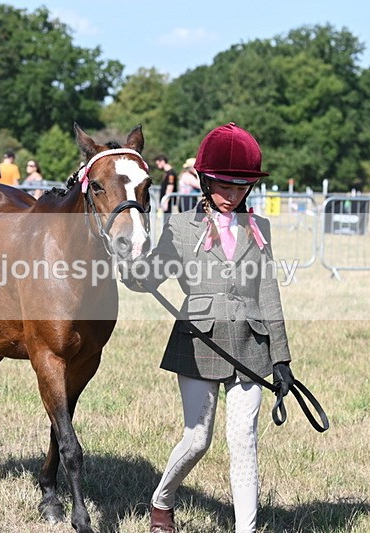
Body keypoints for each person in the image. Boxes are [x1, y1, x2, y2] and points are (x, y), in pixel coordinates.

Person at [127, 123, 295, 533]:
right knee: (198, 439)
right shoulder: (181, 227)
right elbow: (150, 275)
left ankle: (247, 529)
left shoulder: (260, 229)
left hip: (251, 346)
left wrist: (282, 356)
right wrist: (130, 262)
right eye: (224, 186)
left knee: (244, 440)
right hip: (199, 342)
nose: (232, 195)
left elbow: (269, 292)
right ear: (204, 180)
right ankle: (162, 501)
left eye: (241, 187)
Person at [155, 155, 178, 226]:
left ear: (162, 162)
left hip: (167, 201)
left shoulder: (170, 173)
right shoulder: (167, 173)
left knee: (167, 220)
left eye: (158, 163)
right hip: (165, 200)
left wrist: (166, 201)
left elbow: (170, 187)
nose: (157, 166)